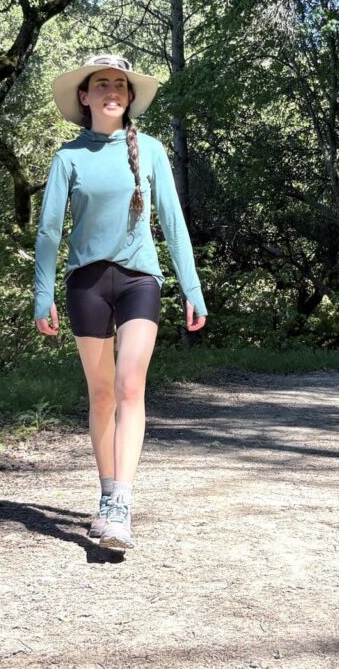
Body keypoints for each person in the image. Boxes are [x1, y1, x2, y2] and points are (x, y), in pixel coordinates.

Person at [32, 54, 208, 550]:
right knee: (103, 394)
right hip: (86, 285)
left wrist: (191, 289)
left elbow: (172, 223)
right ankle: (107, 488)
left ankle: (118, 506)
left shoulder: (149, 150)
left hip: (140, 283)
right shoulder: (67, 157)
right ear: (84, 97)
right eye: (101, 84)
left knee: (131, 387)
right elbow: (49, 232)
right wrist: (42, 294)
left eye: (120, 84)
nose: (112, 90)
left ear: (129, 97)